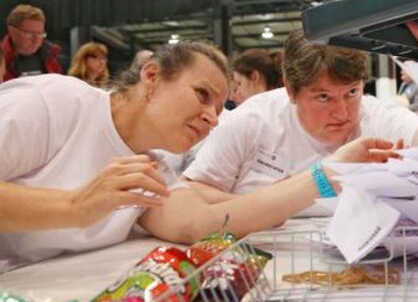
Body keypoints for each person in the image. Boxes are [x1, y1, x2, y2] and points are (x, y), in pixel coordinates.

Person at [0, 41, 398, 269]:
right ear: (152, 77)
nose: (211, 118)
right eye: (201, 95)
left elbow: (202, 224)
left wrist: (323, 175)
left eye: (219, 106)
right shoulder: (53, 104)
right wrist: (74, 206)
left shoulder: (154, 167)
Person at [174, 18, 418, 221]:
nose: (342, 112)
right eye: (323, 97)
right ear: (291, 90)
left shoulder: (376, 116)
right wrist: (267, 204)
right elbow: (191, 191)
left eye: (351, 92)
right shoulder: (252, 121)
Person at [1, 4, 63, 82]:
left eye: (40, 34)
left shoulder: (52, 55)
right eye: (29, 33)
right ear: (12, 31)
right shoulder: (2, 58)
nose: (36, 40)